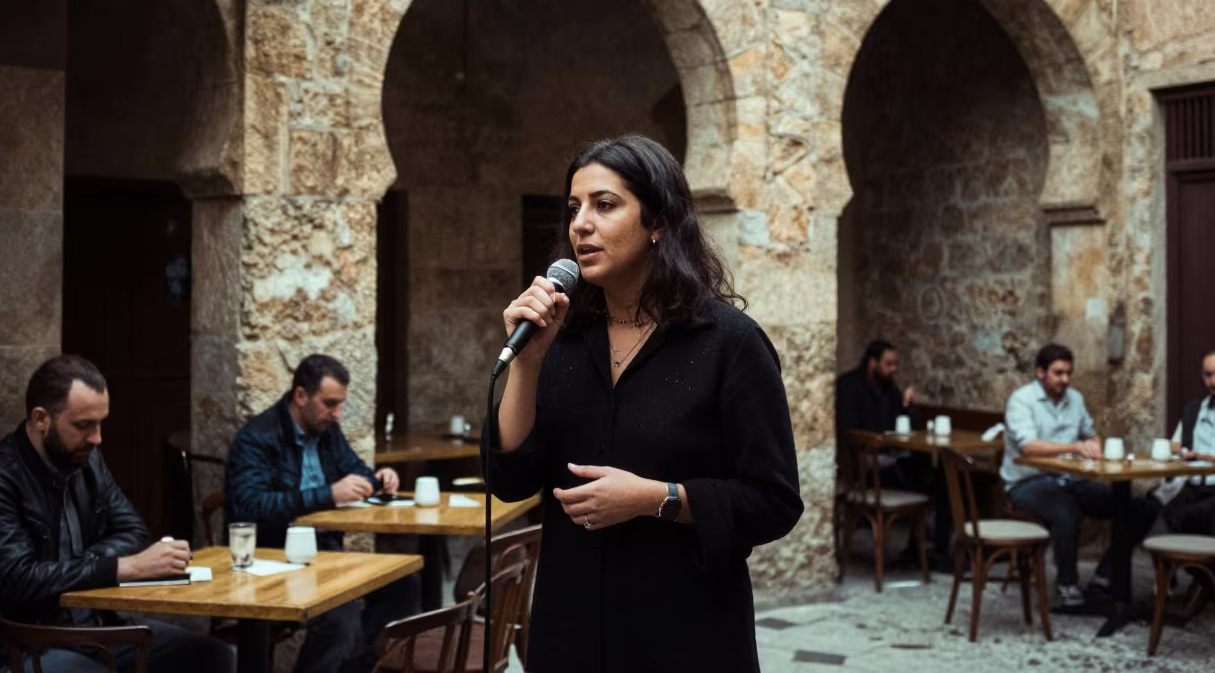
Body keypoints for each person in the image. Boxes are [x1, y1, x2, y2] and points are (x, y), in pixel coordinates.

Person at [484, 135, 804, 672]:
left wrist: (658, 498)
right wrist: (527, 362)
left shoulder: (729, 343)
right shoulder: (559, 341)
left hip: (686, 635)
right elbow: (512, 479)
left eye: (604, 205)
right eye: (573, 208)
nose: (580, 223)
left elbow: (774, 502)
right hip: (572, 633)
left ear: (658, 222)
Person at [0, 355, 234, 673]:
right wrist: (122, 568)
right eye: (83, 425)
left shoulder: (88, 460)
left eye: (100, 423)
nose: (97, 438)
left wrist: (79, 567)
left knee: (215, 656)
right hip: (26, 641)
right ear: (41, 419)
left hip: (97, 626)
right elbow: (19, 580)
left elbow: (134, 532)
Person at [225, 354, 413, 673]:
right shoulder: (257, 437)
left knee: (404, 584)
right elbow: (250, 506)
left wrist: (378, 479)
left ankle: (354, 668)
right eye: (329, 403)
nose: (337, 413)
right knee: (342, 619)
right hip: (275, 559)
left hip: (326, 555)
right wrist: (327, 494)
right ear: (301, 396)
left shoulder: (327, 431)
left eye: (340, 404)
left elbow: (355, 470)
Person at [1000, 344, 1158, 608]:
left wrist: (1093, 443)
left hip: (1070, 479)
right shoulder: (1021, 400)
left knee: (1140, 507)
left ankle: (1105, 578)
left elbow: (1089, 432)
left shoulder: (1075, 398)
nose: (1065, 379)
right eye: (1058, 373)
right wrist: (1075, 447)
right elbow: (1029, 447)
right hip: (1027, 481)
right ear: (1041, 372)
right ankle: (1067, 586)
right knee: (1066, 511)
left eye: (1069, 373)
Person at [1162, 349, 1215, 611]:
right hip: (1193, 487)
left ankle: (1204, 582)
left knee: (1195, 516)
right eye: (1208, 375)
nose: (1213, 381)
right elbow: (1175, 443)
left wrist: (1203, 455)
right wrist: (1180, 452)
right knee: (1162, 513)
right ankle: (1197, 580)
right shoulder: (1194, 410)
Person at [835, 339, 920, 435]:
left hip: (888, 445)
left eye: (895, 364)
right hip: (864, 446)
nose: (894, 369)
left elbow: (907, 426)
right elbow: (847, 427)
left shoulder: (889, 386)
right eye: (889, 364)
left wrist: (908, 406)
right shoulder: (848, 385)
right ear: (873, 363)